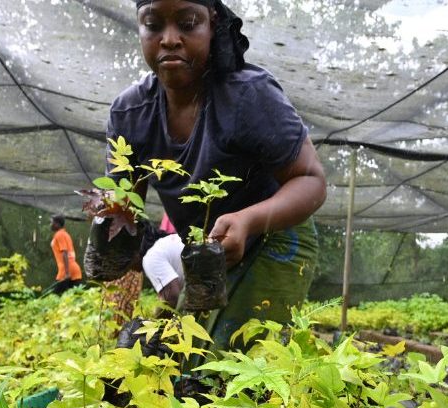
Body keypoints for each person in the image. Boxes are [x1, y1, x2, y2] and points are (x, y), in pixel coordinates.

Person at [108, 0, 326, 348]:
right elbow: (122, 204)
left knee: (236, 362)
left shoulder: (247, 95)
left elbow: (312, 180)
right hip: (206, 252)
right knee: (188, 354)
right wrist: (111, 224)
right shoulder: (130, 113)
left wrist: (248, 221)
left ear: (213, 24)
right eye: (153, 24)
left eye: (188, 23)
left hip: (276, 234)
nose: (169, 39)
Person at [47, 215, 84, 294]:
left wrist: (67, 273)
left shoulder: (59, 235)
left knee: (54, 296)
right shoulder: (65, 234)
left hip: (66, 270)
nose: (50, 225)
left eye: (51, 222)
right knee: (76, 297)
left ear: (57, 224)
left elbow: (65, 253)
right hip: (74, 269)